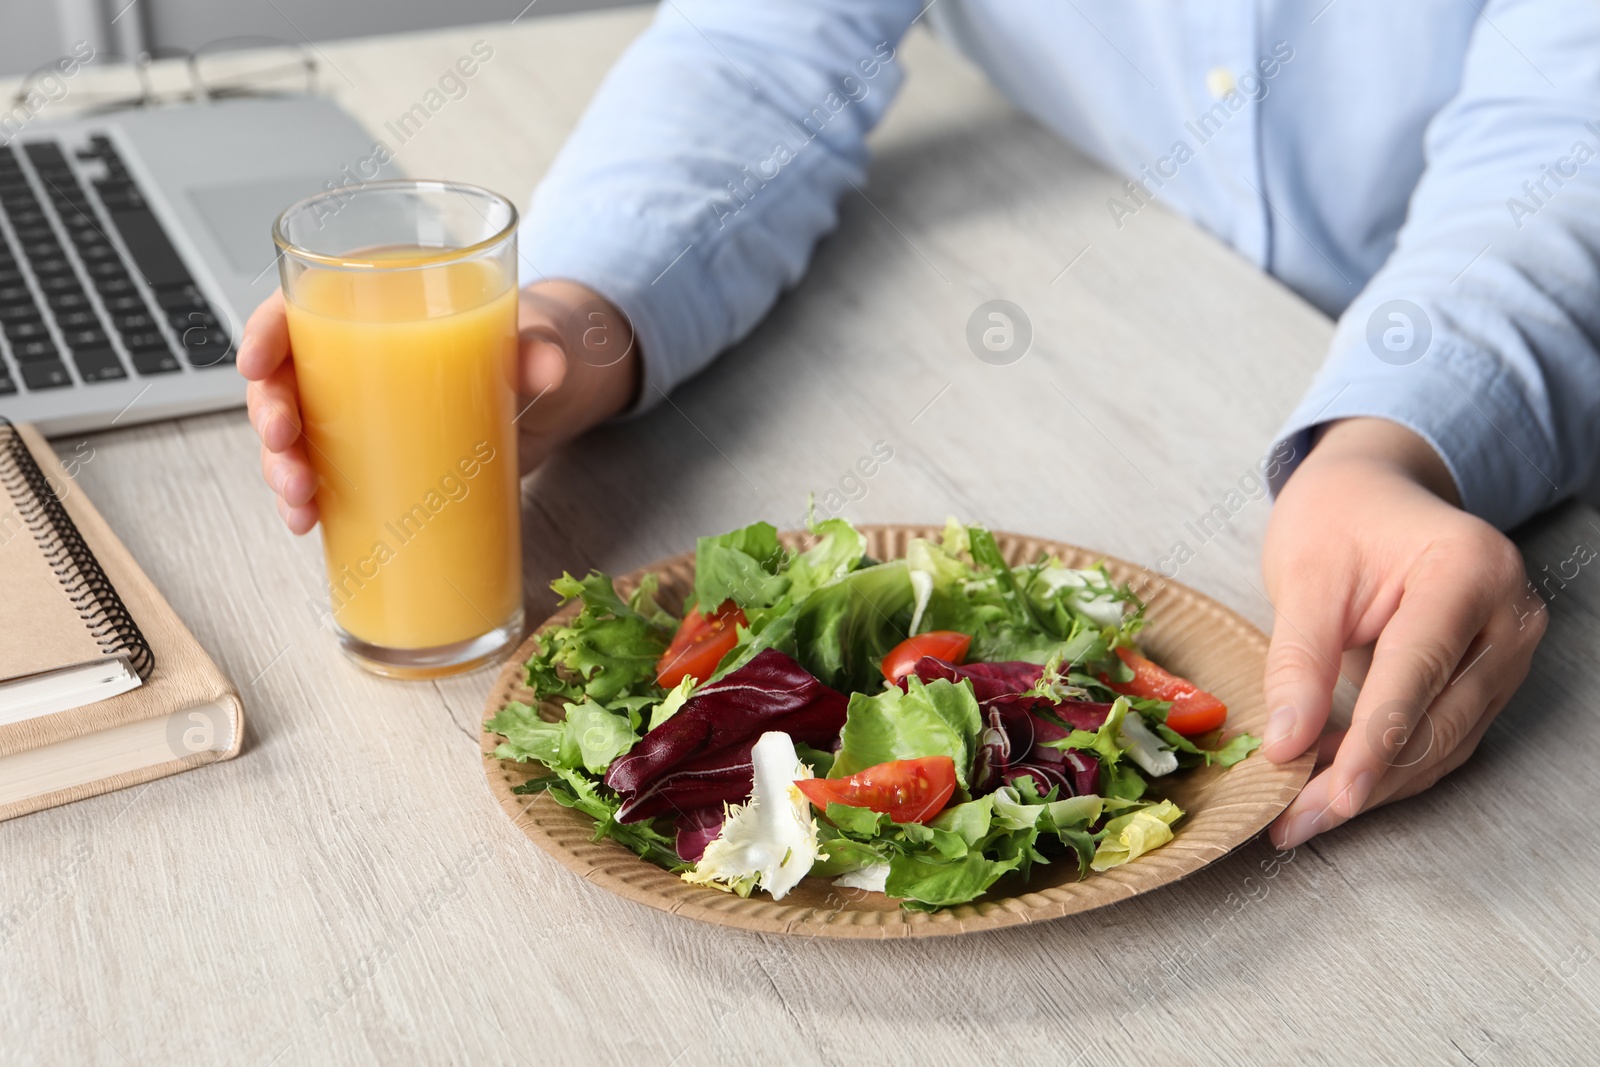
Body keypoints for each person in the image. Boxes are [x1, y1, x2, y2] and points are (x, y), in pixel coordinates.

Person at [238, 2, 1600, 850]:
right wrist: (573, 332)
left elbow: (1565, 133)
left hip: (1496, 385)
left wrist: (1389, 438)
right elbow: (764, 50)